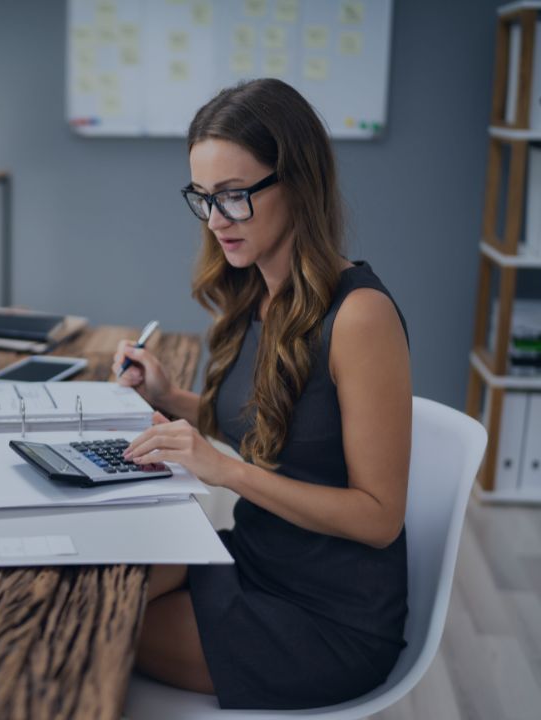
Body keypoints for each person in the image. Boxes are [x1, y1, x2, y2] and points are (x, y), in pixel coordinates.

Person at [113, 78, 411, 710]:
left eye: (236, 195)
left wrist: (224, 471)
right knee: (94, 585)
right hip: (255, 559)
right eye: (204, 197)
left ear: (298, 181)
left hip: (327, 619)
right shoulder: (259, 292)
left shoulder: (359, 317)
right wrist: (173, 399)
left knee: (98, 627)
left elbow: (379, 517)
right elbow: (280, 427)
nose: (217, 220)